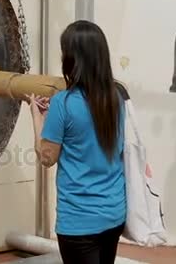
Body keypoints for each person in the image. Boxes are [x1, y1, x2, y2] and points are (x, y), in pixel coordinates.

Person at [28, 20, 126, 264]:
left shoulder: (63, 102)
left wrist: (36, 116)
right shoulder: (116, 97)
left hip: (79, 222)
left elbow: (46, 158)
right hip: (114, 213)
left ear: (73, 58)